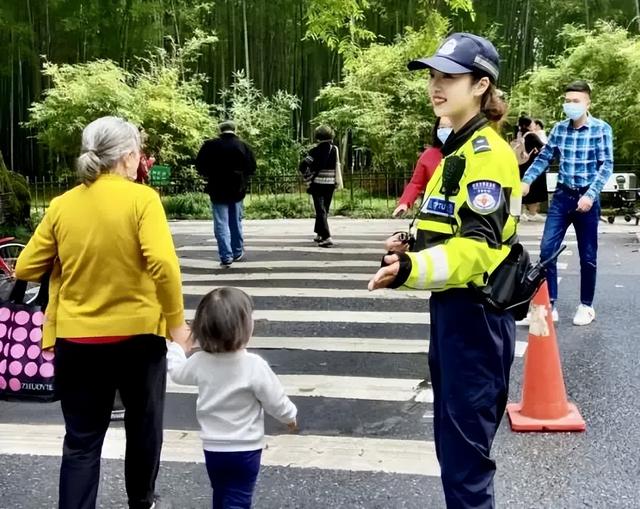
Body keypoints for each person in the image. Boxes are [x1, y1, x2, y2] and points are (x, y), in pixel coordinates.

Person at [368, 33, 521, 507]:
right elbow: (445, 226)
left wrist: (410, 268)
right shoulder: (454, 151)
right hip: (454, 314)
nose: (436, 86)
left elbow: (477, 248)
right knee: (455, 453)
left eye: (449, 77)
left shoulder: (485, 156)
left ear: (480, 85)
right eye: (433, 76)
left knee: (465, 463)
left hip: (475, 317)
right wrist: (408, 244)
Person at [15, 116, 191, 509]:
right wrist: (177, 324)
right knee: (143, 426)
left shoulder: (63, 204)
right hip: (139, 338)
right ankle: (141, 500)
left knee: (81, 440)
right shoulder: (142, 200)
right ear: (128, 157)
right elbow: (163, 263)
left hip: (77, 341)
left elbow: (26, 267)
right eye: (139, 153)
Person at [167, 287, 298, 509]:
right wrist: (290, 417)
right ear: (245, 327)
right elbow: (275, 399)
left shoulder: (199, 362)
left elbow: (176, 372)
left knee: (221, 491)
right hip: (245, 449)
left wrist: (177, 347)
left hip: (213, 448)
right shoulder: (254, 365)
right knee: (238, 497)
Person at [522, 80, 613, 326]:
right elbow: (544, 158)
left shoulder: (601, 129)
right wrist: (527, 180)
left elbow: (606, 166)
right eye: (568, 101)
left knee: (588, 256)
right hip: (563, 197)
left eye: (576, 101)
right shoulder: (560, 129)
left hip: (586, 198)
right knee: (547, 250)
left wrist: (591, 194)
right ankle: (550, 304)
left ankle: (586, 305)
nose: (571, 105)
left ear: (587, 103)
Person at [196, 120, 256, 267]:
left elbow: (200, 166)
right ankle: (237, 251)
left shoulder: (210, 145)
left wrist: (210, 174)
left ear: (220, 130)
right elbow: (252, 167)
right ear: (235, 130)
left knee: (221, 222)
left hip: (217, 188)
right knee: (235, 221)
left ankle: (225, 255)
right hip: (237, 188)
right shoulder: (243, 146)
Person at [392, 116, 453, 218]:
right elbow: (416, 183)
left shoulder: (468, 151)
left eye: (450, 127)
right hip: (433, 211)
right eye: (441, 127)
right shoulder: (428, 155)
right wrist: (404, 203)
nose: (445, 131)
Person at [301, 125, 343, 247]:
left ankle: (327, 237)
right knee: (324, 209)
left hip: (317, 184)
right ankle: (319, 233)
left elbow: (303, 165)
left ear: (317, 136)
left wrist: (308, 176)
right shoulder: (334, 149)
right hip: (330, 184)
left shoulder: (314, 151)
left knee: (320, 210)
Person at [516, 116, 547, 222]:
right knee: (534, 189)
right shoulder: (532, 136)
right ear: (527, 125)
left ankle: (521, 212)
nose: (534, 124)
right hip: (531, 166)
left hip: (521, 165)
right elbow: (543, 146)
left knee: (522, 189)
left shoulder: (519, 135)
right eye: (532, 123)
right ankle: (533, 213)